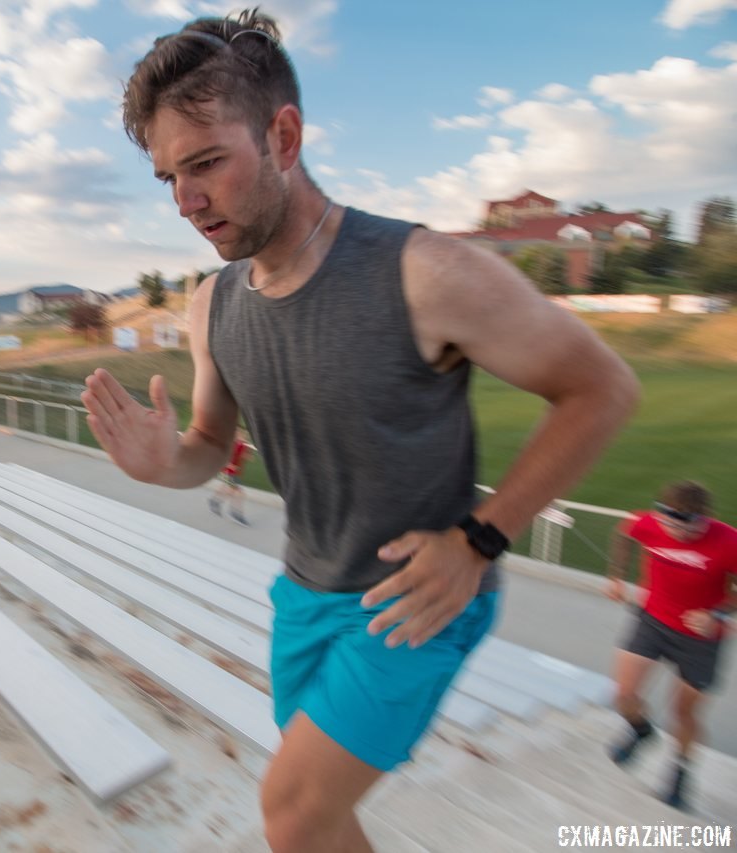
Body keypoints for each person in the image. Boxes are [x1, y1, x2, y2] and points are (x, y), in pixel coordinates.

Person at [81, 9, 639, 852]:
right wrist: (169, 462)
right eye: (168, 178)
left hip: (415, 600)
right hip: (302, 594)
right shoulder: (211, 304)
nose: (188, 201)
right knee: (324, 818)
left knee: (291, 812)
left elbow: (603, 389)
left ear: (285, 135)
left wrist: (480, 539)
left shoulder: (426, 272)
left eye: (205, 164)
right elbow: (206, 443)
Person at [604, 481, 737, 810]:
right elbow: (624, 532)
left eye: (685, 527)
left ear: (703, 519)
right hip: (653, 621)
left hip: (701, 638)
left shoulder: (729, 541)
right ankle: (641, 730)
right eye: (669, 524)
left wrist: (717, 613)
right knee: (623, 695)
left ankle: (680, 770)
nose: (675, 532)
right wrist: (616, 576)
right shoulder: (649, 523)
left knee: (683, 712)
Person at [208, 428, 254, 525]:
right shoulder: (231, 444)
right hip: (228, 472)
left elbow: (248, 458)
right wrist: (229, 465)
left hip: (235, 473)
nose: (244, 435)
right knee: (239, 493)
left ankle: (214, 501)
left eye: (245, 434)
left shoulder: (243, 445)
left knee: (227, 489)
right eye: (241, 433)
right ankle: (236, 513)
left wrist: (248, 453)